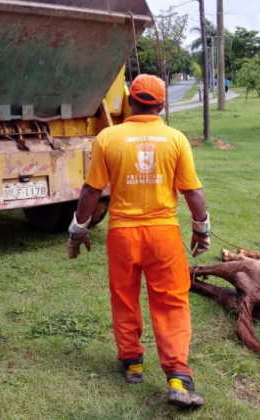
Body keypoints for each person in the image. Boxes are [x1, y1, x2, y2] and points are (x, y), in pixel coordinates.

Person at [67, 74, 210, 408]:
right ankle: (178, 376)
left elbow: (91, 190)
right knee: (172, 302)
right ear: (161, 104)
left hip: (122, 235)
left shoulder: (108, 137)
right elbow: (192, 191)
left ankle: (132, 362)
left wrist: (78, 228)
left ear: (130, 99)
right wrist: (201, 228)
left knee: (124, 296)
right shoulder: (175, 139)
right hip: (164, 235)